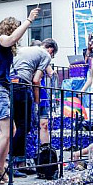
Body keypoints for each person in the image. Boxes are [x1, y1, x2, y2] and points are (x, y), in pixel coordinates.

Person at [0, 8, 40, 185]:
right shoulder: (2, 39)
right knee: (6, 131)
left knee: (10, 130)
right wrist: (28, 20)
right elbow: (12, 38)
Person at [9, 38, 58, 176]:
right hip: (22, 85)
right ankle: (12, 162)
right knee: (24, 126)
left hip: (10, 83)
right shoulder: (45, 55)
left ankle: (19, 163)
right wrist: (36, 100)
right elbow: (36, 79)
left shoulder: (24, 49)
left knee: (18, 125)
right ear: (51, 50)